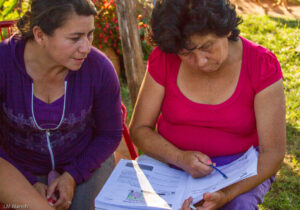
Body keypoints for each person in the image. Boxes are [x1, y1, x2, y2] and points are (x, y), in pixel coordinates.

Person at [129, 0, 286, 209]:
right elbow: (139, 129)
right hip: (171, 163)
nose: (200, 61)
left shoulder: (260, 65)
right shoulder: (164, 59)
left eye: (206, 47)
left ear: (227, 29)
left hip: (239, 171)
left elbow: (273, 153)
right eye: (186, 53)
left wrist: (227, 194)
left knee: (239, 205)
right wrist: (180, 158)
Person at [0, 0, 123, 209]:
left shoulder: (99, 68)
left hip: (86, 163)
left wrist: (73, 175)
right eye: (75, 38)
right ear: (39, 35)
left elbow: (110, 134)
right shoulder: (3, 64)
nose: (86, 47)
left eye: (89, 34)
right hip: (15, 167)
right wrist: (29, 182)